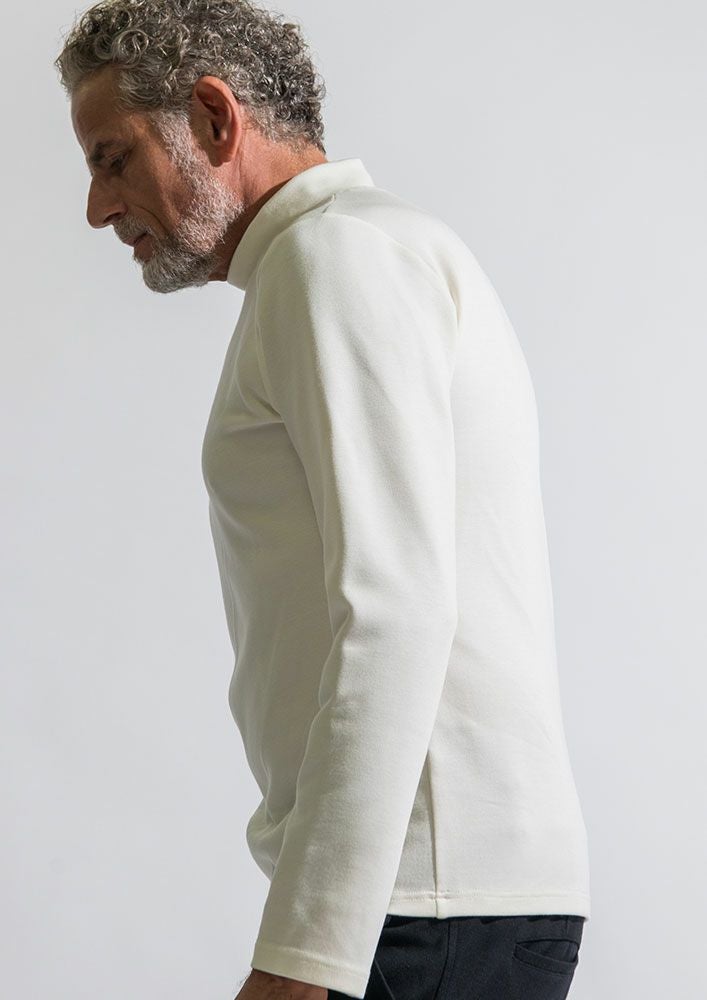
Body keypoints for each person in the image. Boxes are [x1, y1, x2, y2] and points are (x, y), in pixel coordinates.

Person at [55, 2, 591, 998]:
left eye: (112, 158)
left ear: (214, 118)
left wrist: (307, 951)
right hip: (433, 901)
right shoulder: (354, 253)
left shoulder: (332, 257)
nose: (96, 207)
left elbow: (395, 609)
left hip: (418, 907)